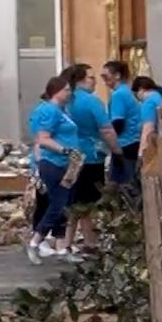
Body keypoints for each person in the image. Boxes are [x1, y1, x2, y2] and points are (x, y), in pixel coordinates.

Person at [59, 64, 120, 250]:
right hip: (91, 155)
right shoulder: (91, 101)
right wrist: (117, 150)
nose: (95, 81)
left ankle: (69, 242)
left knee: (73, 200)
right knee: (88, 201)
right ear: (80, 80)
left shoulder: (65, 100)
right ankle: (84, 241)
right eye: (91, 77)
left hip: (69, 155)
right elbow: (106, 129)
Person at [27, 76, 81, 264]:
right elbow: (43, 138)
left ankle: (62, 246)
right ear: (56, 91)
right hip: (53, 162)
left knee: (65, 204)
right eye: (66, 89)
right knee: (57, 203)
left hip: (67, 165)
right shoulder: (51, 111)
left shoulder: (62, 111)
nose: (69, 93)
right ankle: (35, 241)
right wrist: (64, 150)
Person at [102, 60, 141, 187]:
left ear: (117, 75)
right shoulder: (127, 91)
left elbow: (118, 122)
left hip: (125, 143)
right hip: (133, 140)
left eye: (105, 76)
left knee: (123, 185)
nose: (103, 80)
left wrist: (108, 140)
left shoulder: (118, 94)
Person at [133, 76, 162, 144]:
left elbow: (148, 128)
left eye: (135, 94)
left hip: (160, 140)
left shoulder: (148, 102)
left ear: (140, 89)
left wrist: (142, 150)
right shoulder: (161, 95)